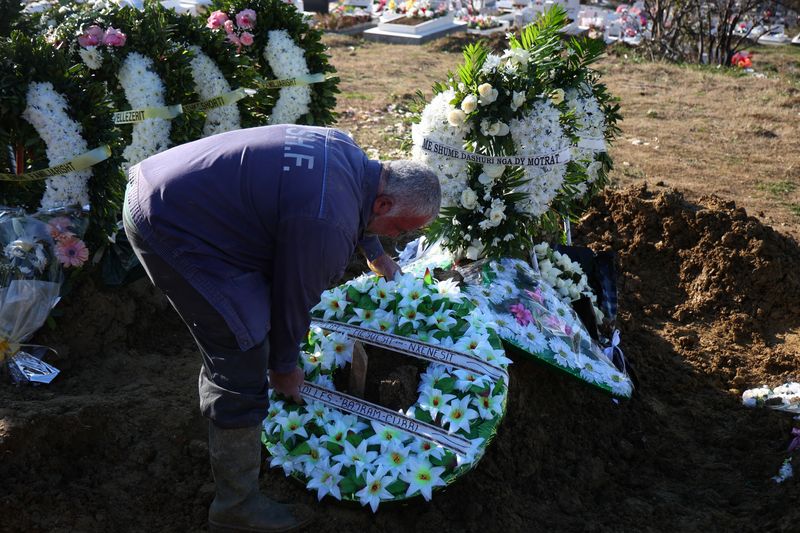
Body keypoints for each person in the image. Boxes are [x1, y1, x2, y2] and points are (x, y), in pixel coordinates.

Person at [122, 124, 441, 533]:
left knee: (250, 322)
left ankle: (230, 430)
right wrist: (284, 368)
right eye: (400, 230)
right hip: (171, 224)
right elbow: (293, 300)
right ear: (383, 203)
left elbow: (347, 208)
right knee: (240, 347)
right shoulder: (328, 224)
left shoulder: (347, 150)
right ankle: (235, 506)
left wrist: (375, 252)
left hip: (168, 185)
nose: (398, 238)